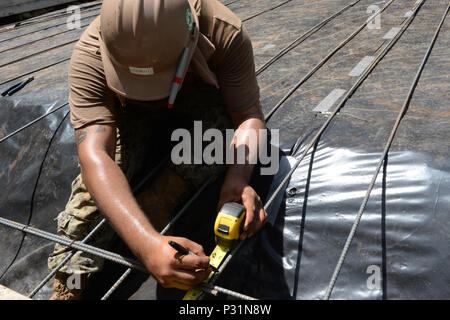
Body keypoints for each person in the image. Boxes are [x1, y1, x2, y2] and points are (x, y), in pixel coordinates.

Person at [48, 0, 268, 300]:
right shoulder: (90, 57)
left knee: (219, 134)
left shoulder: (222, 31)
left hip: (200, 101)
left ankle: (160, 199)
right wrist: (147, 244)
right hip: (129, 114)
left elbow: (248, 116)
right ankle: (70, 283)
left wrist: (239, 176)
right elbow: (95, 156)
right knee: (90, 198)